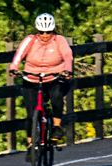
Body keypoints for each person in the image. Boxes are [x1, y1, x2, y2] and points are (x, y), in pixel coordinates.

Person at [9, 13, 72, 146]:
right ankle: (31, 144)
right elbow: (19, 54)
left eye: (48, 32)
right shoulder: (30, 40)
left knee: (56, 96)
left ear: (53, 30)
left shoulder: (59, 40)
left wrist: (68, 70)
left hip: (54, 77)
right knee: (31, 114)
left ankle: (56, 126)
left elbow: (67, 56)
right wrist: (14, 67)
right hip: (32, 78)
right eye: (42, 32)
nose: (45, 35)